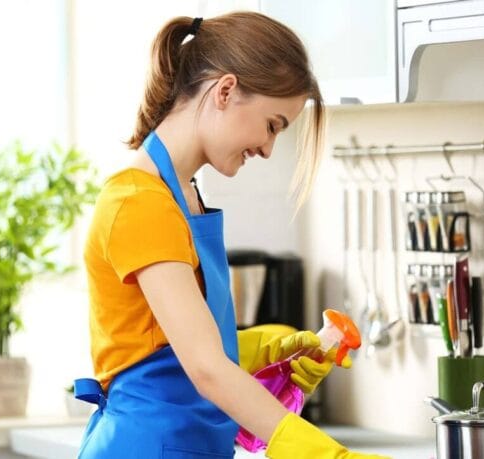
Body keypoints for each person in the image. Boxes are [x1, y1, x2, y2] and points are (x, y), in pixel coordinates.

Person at [74, 12, 390, 459]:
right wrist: (324, 455)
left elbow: (170, 349)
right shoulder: (139, 202)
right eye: (273, 125)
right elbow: (205, 370)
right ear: (225, 90)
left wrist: (264, 353)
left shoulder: (184, 197)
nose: (267, 148)